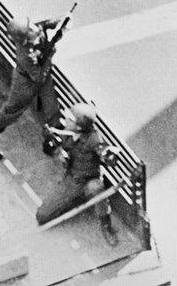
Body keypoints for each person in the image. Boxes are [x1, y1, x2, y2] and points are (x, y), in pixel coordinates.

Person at [35, 103, 120, 246]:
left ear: (79, 127)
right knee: (42, 216)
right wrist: (51, 144)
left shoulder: (93, 138)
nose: (66, 120)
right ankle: (75, 199)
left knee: (96, 188)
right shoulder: (66, 132)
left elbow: (104, 151)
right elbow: (50, 148)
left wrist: (108, 156)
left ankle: (106, 224)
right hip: (71, 179)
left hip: (88, 180)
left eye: (70, 119)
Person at [0, 16, 62, 161]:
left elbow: (44, 24)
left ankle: (52, 139)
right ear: (24, 39)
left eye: (31, 26)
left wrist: (60, 20)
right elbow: (37, 77)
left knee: (52, 108)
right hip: (26, 81)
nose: (33, 29)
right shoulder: (25, 54)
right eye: (29, 30)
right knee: (11, 110)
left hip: (42, 73)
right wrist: (50, 55)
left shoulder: (32, 29)